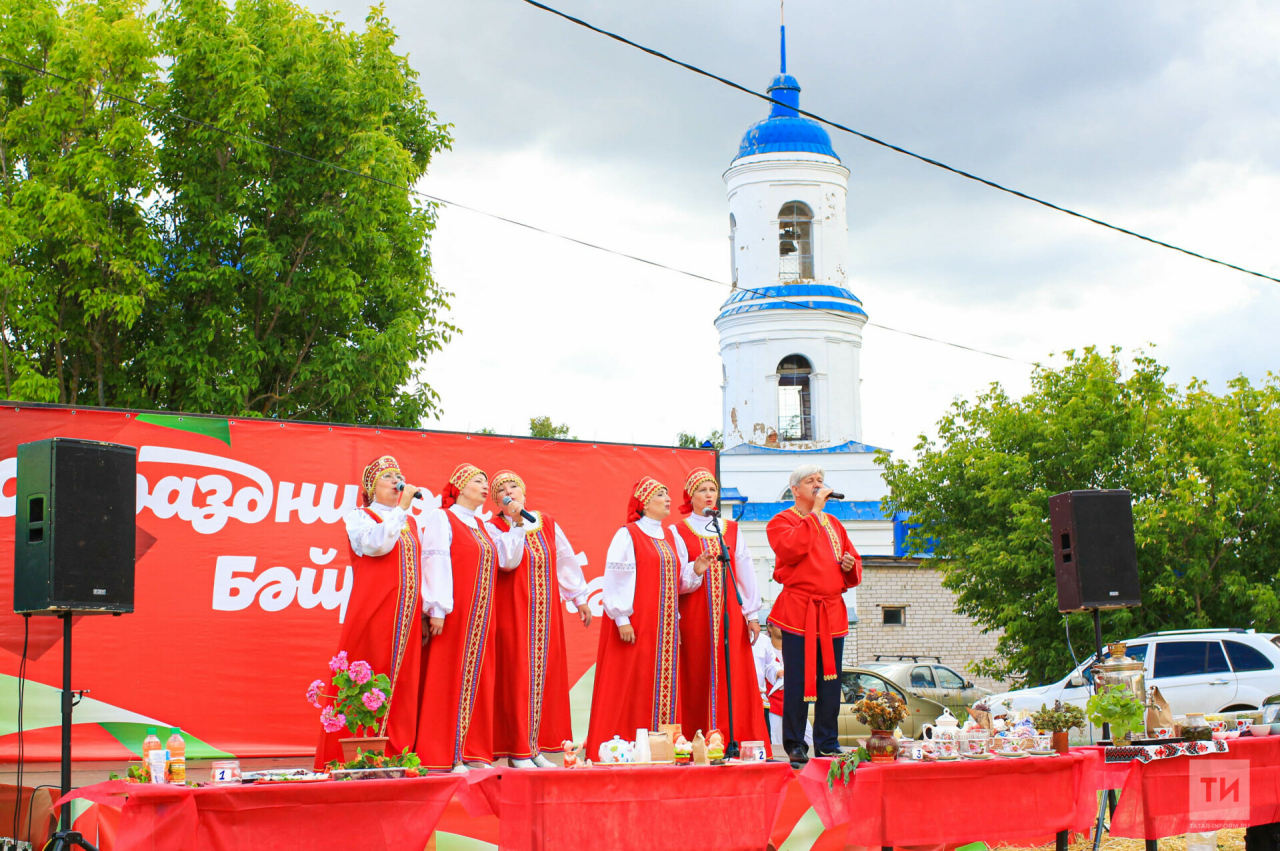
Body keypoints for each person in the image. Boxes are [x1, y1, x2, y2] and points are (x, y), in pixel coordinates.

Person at [586, 477, 712, 757]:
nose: (667, 499)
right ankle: (623, 748)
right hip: (638, 623)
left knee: (660, 684)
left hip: (666, 628)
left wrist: (697, 569)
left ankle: (663, 751)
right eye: (659, 494)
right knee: (632, 683)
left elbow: (680, 583)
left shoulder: (671, 536)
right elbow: (617, 578)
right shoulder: (628, 534)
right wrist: (622, 619)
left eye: (668, 494)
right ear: (644, 503)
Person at [314, 456, 426, 769]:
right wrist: (402, 509)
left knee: (402, 682)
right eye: (388, 477)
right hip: (375, 610)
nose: (396, 481)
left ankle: (398, 755)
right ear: (372, 487)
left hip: (406, 617)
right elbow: (377, 546)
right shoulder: (361, 517)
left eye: (399, 476)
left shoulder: (411, 523)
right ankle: (353, 758)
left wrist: (428, 612)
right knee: (369, 677)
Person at [417, 463, 527, 773]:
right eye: (477, 481)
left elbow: (507, 562)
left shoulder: (481, 524)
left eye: (484, 482)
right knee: (450, 678)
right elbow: (434, 559)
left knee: (478, 679)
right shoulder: (443, 518)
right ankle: (445, 753)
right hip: (456, 613)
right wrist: (437, 609)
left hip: (482, 615)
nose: (484, 486)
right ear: (459, 486)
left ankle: (470, 751)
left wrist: (517, 526)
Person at [488, 469, 592, 768]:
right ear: (497, 501)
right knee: (517, 679)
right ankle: (517, 751)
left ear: (524, 492)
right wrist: (515, 523)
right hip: (513, 614)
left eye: (513, 487)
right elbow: (507, 563)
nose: (509, 492)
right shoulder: (495, 527)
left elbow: (565, 560)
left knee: (543, 678)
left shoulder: (546, 522)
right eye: (502, 490)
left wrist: (580, 599)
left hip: (545, 617)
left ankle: (534, 749)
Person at [766, 464, 862, 767]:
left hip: (831, 611)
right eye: (811, 481)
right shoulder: (781, 522)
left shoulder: (834, 523)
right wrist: (816, 513)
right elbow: (793, 549)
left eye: (821, 481)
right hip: (799, 611)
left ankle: (827, 742)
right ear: (796, 489)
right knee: (796, 679)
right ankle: (795, 743)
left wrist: (849, 565)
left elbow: (854, 560)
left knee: (830, 681)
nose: (819, 485)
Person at [671, 468, 771, 754]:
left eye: (712, 490)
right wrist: (696, 569)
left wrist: (751, 614)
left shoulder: (730, 528)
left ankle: (734, 738)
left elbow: (745, 571)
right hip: (695, 614)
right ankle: (696, 740)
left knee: (734, 672)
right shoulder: (679, 531)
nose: (708, 495)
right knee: (697, 672)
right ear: (691, 497)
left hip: (729, 613)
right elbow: (677, 580)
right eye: (702, 490)